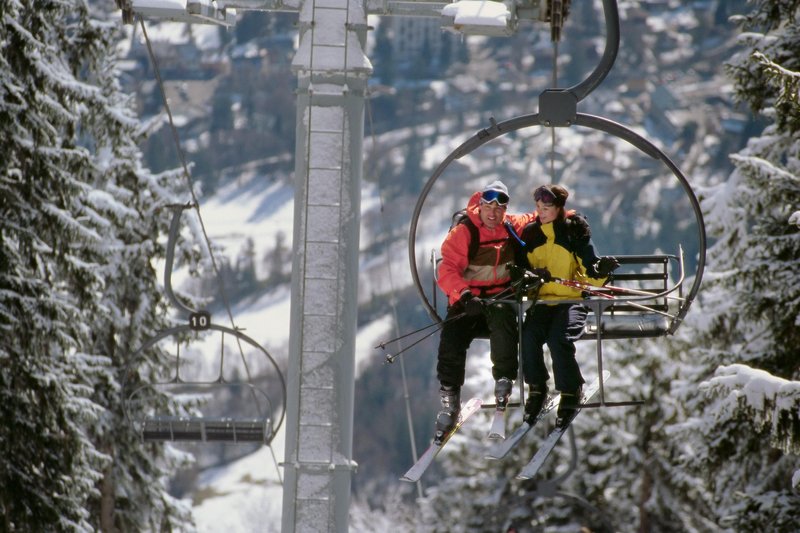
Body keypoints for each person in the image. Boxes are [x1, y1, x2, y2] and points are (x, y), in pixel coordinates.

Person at [433, 180, 535, 443]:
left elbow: (540, 214)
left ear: (504, 210)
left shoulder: (511, 225)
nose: (493, 213)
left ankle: (503, 381)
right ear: (480, 206)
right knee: (452, 335)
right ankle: (450, 397)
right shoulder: (464, 232)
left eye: (499, 208)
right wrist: (464, 295)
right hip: (470, 301)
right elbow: (446, 270)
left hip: (500, 298)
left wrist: (570, 216)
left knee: (504, 320)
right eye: (488, 206)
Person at [516, 184, 618, 427]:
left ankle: (572, 390)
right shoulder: (531, 234)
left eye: (547, 208)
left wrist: (601, 272)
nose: (541, 212)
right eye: (538, 208)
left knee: (558, 338)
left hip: (571, 301)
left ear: (559, 207)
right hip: (543, 302)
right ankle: (538, 387)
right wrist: (528, 278)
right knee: (528, 336)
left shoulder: (572, 232)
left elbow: (590, 270)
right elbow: (522, 271)